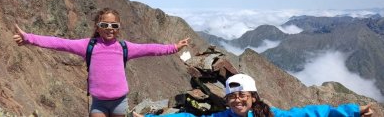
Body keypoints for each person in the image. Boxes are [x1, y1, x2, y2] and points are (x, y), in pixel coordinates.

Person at [13, 7, 189, 117]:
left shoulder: (124, 47)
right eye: (105, 25)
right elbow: (59, 43)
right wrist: (29, 38)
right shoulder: (87, 46)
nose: (109, 29)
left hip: (120, 102)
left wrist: (173, 47)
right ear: (97, 27)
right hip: (98, 103)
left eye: (114, 26)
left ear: (119, 28)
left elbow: (150, 49)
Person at [134, 74, 373, 117]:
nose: (237, 100)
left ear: (253, 97)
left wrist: (351, 110)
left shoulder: (270, 115)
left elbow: (309, 113)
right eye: (232, 97)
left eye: (242, 95)